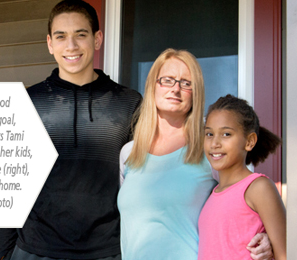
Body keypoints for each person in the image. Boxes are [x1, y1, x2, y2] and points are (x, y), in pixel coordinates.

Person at [0, 0, 142, 260]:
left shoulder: (129, 103)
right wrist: (5, 252)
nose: (71, 46)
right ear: (50, 43)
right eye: (61, 36)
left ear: (97, 40)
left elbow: (143, 182)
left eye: (80, 35)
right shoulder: (28, 102)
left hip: (107, 252)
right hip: (34, 250)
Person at [117, 48, 274, 260]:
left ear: (196, 92)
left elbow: (247, 198)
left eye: (186, 83)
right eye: (167, 80)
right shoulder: (129, 153)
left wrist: (265, 237)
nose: (176, 89)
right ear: (152, 85)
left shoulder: (208, 146)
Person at [198, 94, 286, 260]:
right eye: (209, 134)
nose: (215, 143)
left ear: (249, 141)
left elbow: (285, 254)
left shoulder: (258, 188)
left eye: (226, 134)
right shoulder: (212, 194)